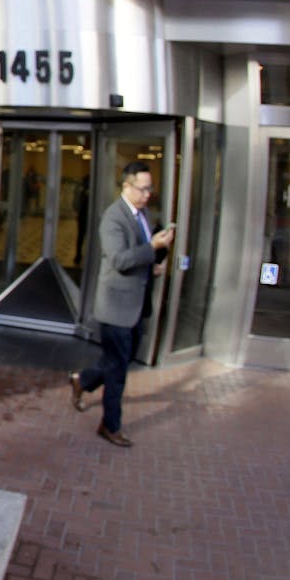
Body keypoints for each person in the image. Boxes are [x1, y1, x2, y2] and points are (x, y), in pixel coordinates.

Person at [68, 161, 174, 447]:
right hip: (116, 308)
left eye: (150, 188)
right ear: (126, 186)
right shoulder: (113, 218)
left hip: (136, 306)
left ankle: (83, 380)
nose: (148, 194)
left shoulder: (143, 214)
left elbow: (136, 258)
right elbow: (120, 260)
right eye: (143, 188)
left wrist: (152, 265)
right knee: (117, 371)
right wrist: (152, 249)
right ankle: (110, 425)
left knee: (119, 360)